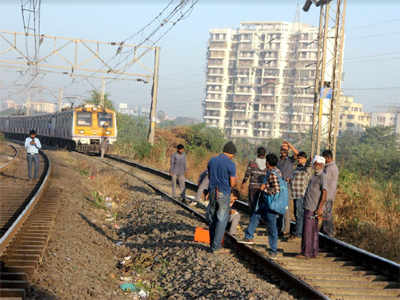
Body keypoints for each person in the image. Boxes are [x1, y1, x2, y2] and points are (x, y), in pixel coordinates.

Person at [241, 153, 282, 259]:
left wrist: (264, 189)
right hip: (265, 202)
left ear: (268, 162)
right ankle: (248, 236)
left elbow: (276, 190)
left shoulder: (273, 173)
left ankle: (274, 250)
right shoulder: (273, 171)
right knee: (255, 215)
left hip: (271, 204)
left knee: (272, 227)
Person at [206, 141, 237, 254]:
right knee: (221, 219)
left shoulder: (212, 160)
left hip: (213, 191)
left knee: (213, 217)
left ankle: (212, 244)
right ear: (231, 153)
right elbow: (232, 183)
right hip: (223, 192)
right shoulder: (230, 164)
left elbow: (209, 176)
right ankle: (216, 247)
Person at [297, 155, 328, 259]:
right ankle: (313, 252)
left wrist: (320, 208)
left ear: (322, 165)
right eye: (316, 163)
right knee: (313, 231)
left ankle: (306, 253)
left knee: (308, 231)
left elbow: (324, 194)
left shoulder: (322, 176)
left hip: (313, 207)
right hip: (309, 205)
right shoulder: (314, 175)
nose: (317, 165)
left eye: (319, 164)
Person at [277, 141, 298, 239]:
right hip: (278, 186)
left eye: (286, 149)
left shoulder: (290, 160)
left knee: (286, 209)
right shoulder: (278, 161)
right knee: (280, 208)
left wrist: (290, 145)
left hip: (287, 186)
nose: (284, 151)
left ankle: (286, 230)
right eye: (282, 149)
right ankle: (281, 229)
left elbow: (297, 154)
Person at [290, 151, 311, 239]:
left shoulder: (307, 168)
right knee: (296, 213)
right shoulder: (296, 168)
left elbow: (309, 163)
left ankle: (298, 234)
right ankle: (298, 232)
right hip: (295, 194)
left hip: (302, 194)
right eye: (298, 158)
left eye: (300, 158)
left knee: (299, 214)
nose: (298, 160)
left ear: (305, 159)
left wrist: (290, 146)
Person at [241, 147, 267, 214]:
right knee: (261, 204)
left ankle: (253, 218)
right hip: (263, 187)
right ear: (265, 154)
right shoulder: (267, 164)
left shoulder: (252, 162)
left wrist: (243, 183)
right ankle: (259, 220)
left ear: (257, 153)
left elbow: (247, 174)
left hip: (253, 187)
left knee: (252, 204)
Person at [321, 149, 339, 236]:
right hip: (330, 195)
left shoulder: (329, 168)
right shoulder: (332, 167)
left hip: (327, 196)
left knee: (326, 215)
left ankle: (329, 233)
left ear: (327, 158)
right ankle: (326, 233)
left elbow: (325, 183)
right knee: (327, 214)